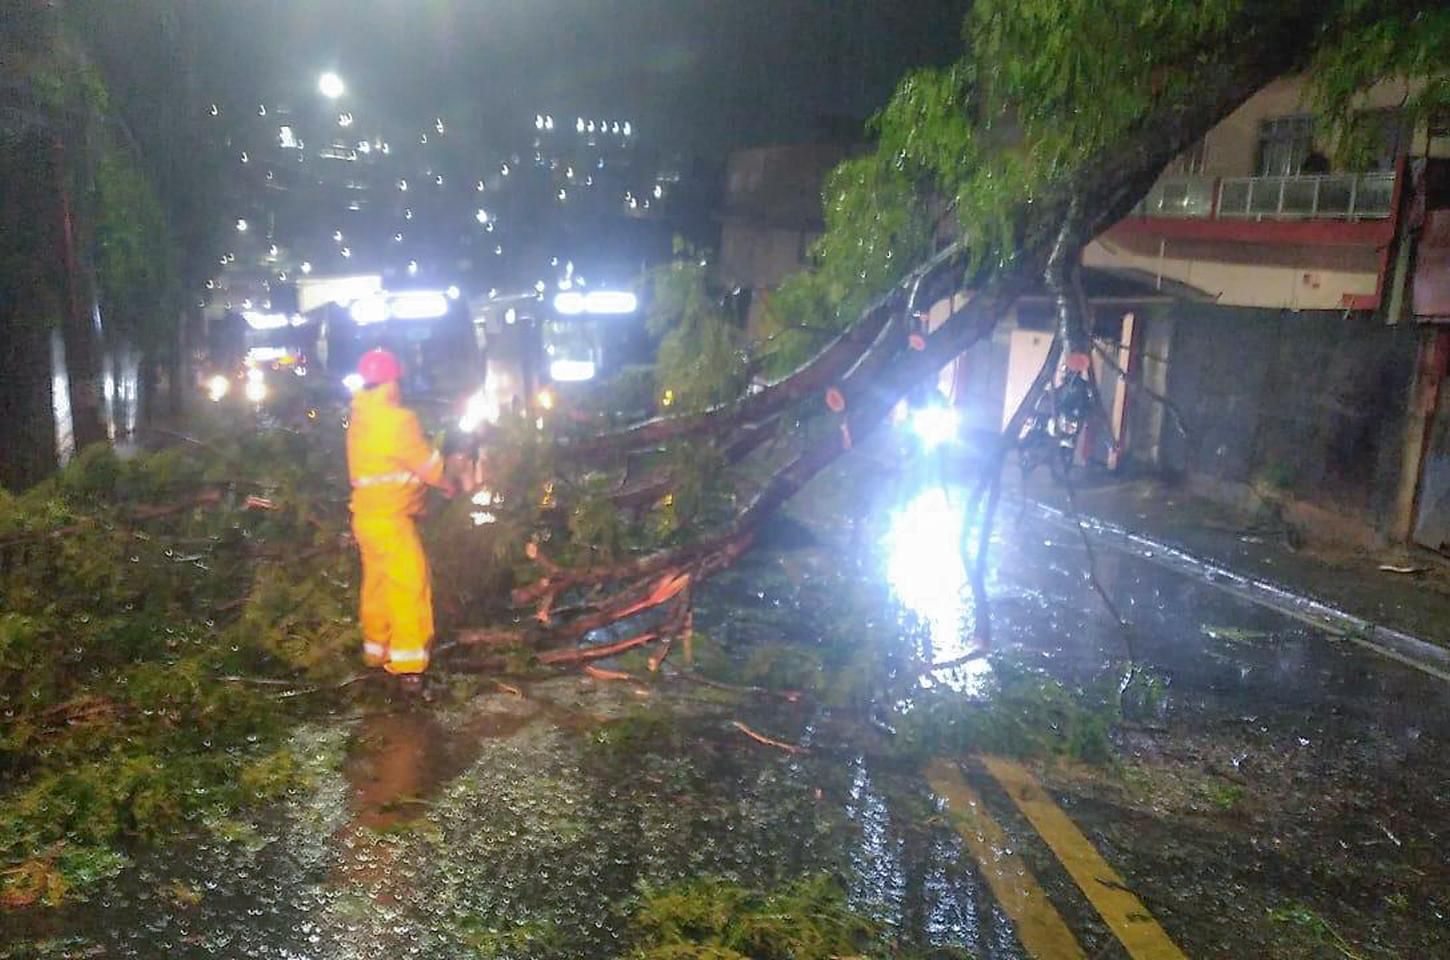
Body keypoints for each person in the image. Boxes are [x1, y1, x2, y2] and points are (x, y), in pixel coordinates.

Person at [346, 348, 455, 691]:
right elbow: (426, 464)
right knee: (409, 585)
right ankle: (409, 666)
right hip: (393, 519)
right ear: (393, 381)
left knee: (377, 586)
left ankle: (375, 651)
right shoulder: (397, 420)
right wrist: (448, 481)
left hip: (365, 517)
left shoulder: (360, 419)